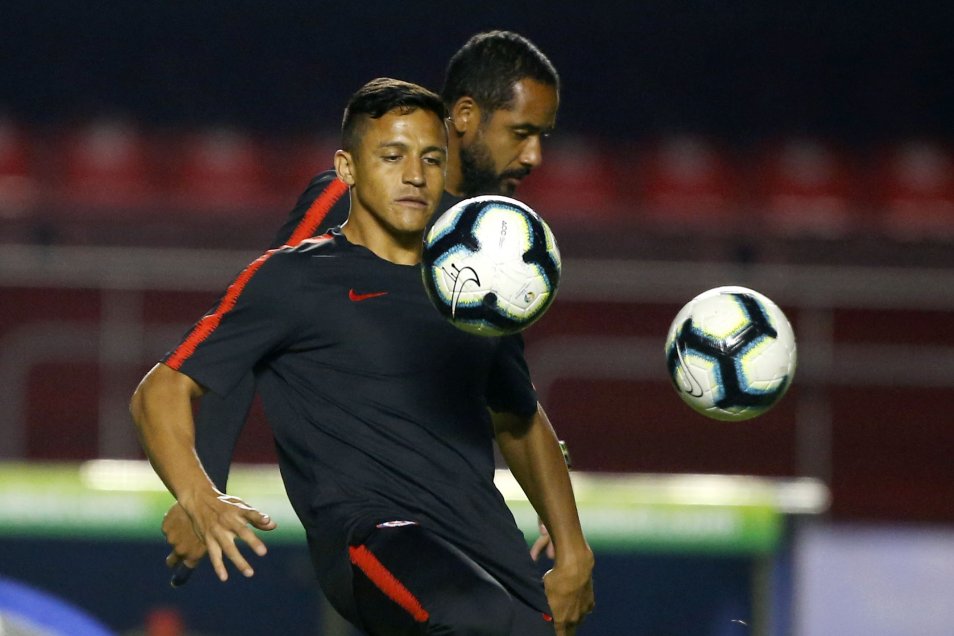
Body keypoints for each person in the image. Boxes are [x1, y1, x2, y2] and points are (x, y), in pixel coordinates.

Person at [131, 77, 594, 635]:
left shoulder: (476, 286)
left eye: (430, 158)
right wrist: (199, 495)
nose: (415, 176)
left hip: (482, 541)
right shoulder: (292, 278)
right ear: (347, 168)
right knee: (473, 618)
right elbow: (161, 391)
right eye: (392, 156)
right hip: (370, 536)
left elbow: (519, 419)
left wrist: (573, 551)